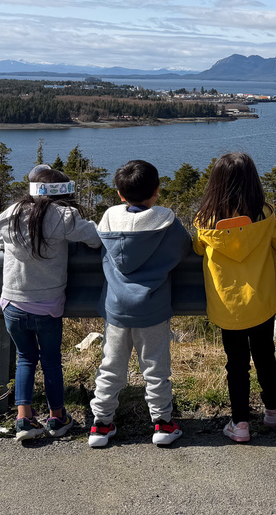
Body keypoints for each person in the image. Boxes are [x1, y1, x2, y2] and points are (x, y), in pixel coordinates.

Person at [0, 165, 101, 442]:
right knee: (51, 362)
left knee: (25, 358)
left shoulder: (12, 214)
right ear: (63, 194)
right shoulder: (63, 216)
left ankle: (24, 419)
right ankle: (57, 416)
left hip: (12, 302)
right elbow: (95, 239)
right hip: (47, 303)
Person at [88, 160, 193, 449]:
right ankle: (162, 423)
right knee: (156, 368)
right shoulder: (167, 223)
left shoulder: (109, 220)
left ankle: (101, 423)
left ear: (120, 194)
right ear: (157, 191)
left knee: (110, 366)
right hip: (153, 308)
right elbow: (184, 249)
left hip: (116, 309)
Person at [193, 152, 276, 443]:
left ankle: (240, 423)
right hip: (260, 301)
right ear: (253, 181)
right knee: (265, 355)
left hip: (227, 304)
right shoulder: (265, 215)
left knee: (235, 363)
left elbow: (198, 250)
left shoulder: (205, 220)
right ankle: (272, 409)